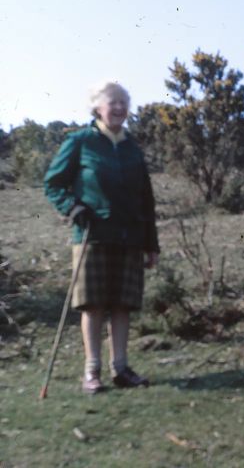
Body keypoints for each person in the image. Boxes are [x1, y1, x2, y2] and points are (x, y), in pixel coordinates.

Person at [44, 81, 160, 394]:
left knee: (123, 305)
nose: (120, 108)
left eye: (124, 102)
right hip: (91, 235)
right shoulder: (81, 141)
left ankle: (121, 369)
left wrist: (151, 244)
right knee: (93, 306)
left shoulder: (132, 147)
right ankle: (91, 372)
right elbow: (52, 183)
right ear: (98, 107)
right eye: (113, 102)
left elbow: (146, 200)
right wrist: (72, 207)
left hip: (129, 237)